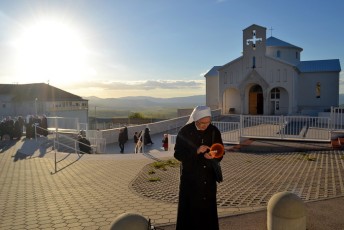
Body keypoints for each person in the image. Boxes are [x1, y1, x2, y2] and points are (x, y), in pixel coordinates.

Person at [174, 105, 224, 230]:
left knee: (208, 214)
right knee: (190, 214)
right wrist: (196, 151)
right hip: (190, 180)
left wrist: (213, 155)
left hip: (208, 180)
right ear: (196, 120)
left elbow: (220, 151)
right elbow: (178, 154)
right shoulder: (185, 131)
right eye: (202, 123)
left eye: (208, 122)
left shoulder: (214, 131)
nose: (205, 126)